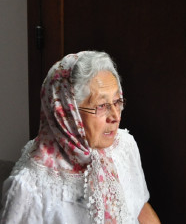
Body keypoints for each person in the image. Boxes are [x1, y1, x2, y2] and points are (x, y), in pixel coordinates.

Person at [0, 51, 160, 223]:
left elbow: (140, 207)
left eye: (117, 102)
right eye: (101, 106)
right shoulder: (29, 187)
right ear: (67, 113)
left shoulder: (124, 146)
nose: (115, 116)